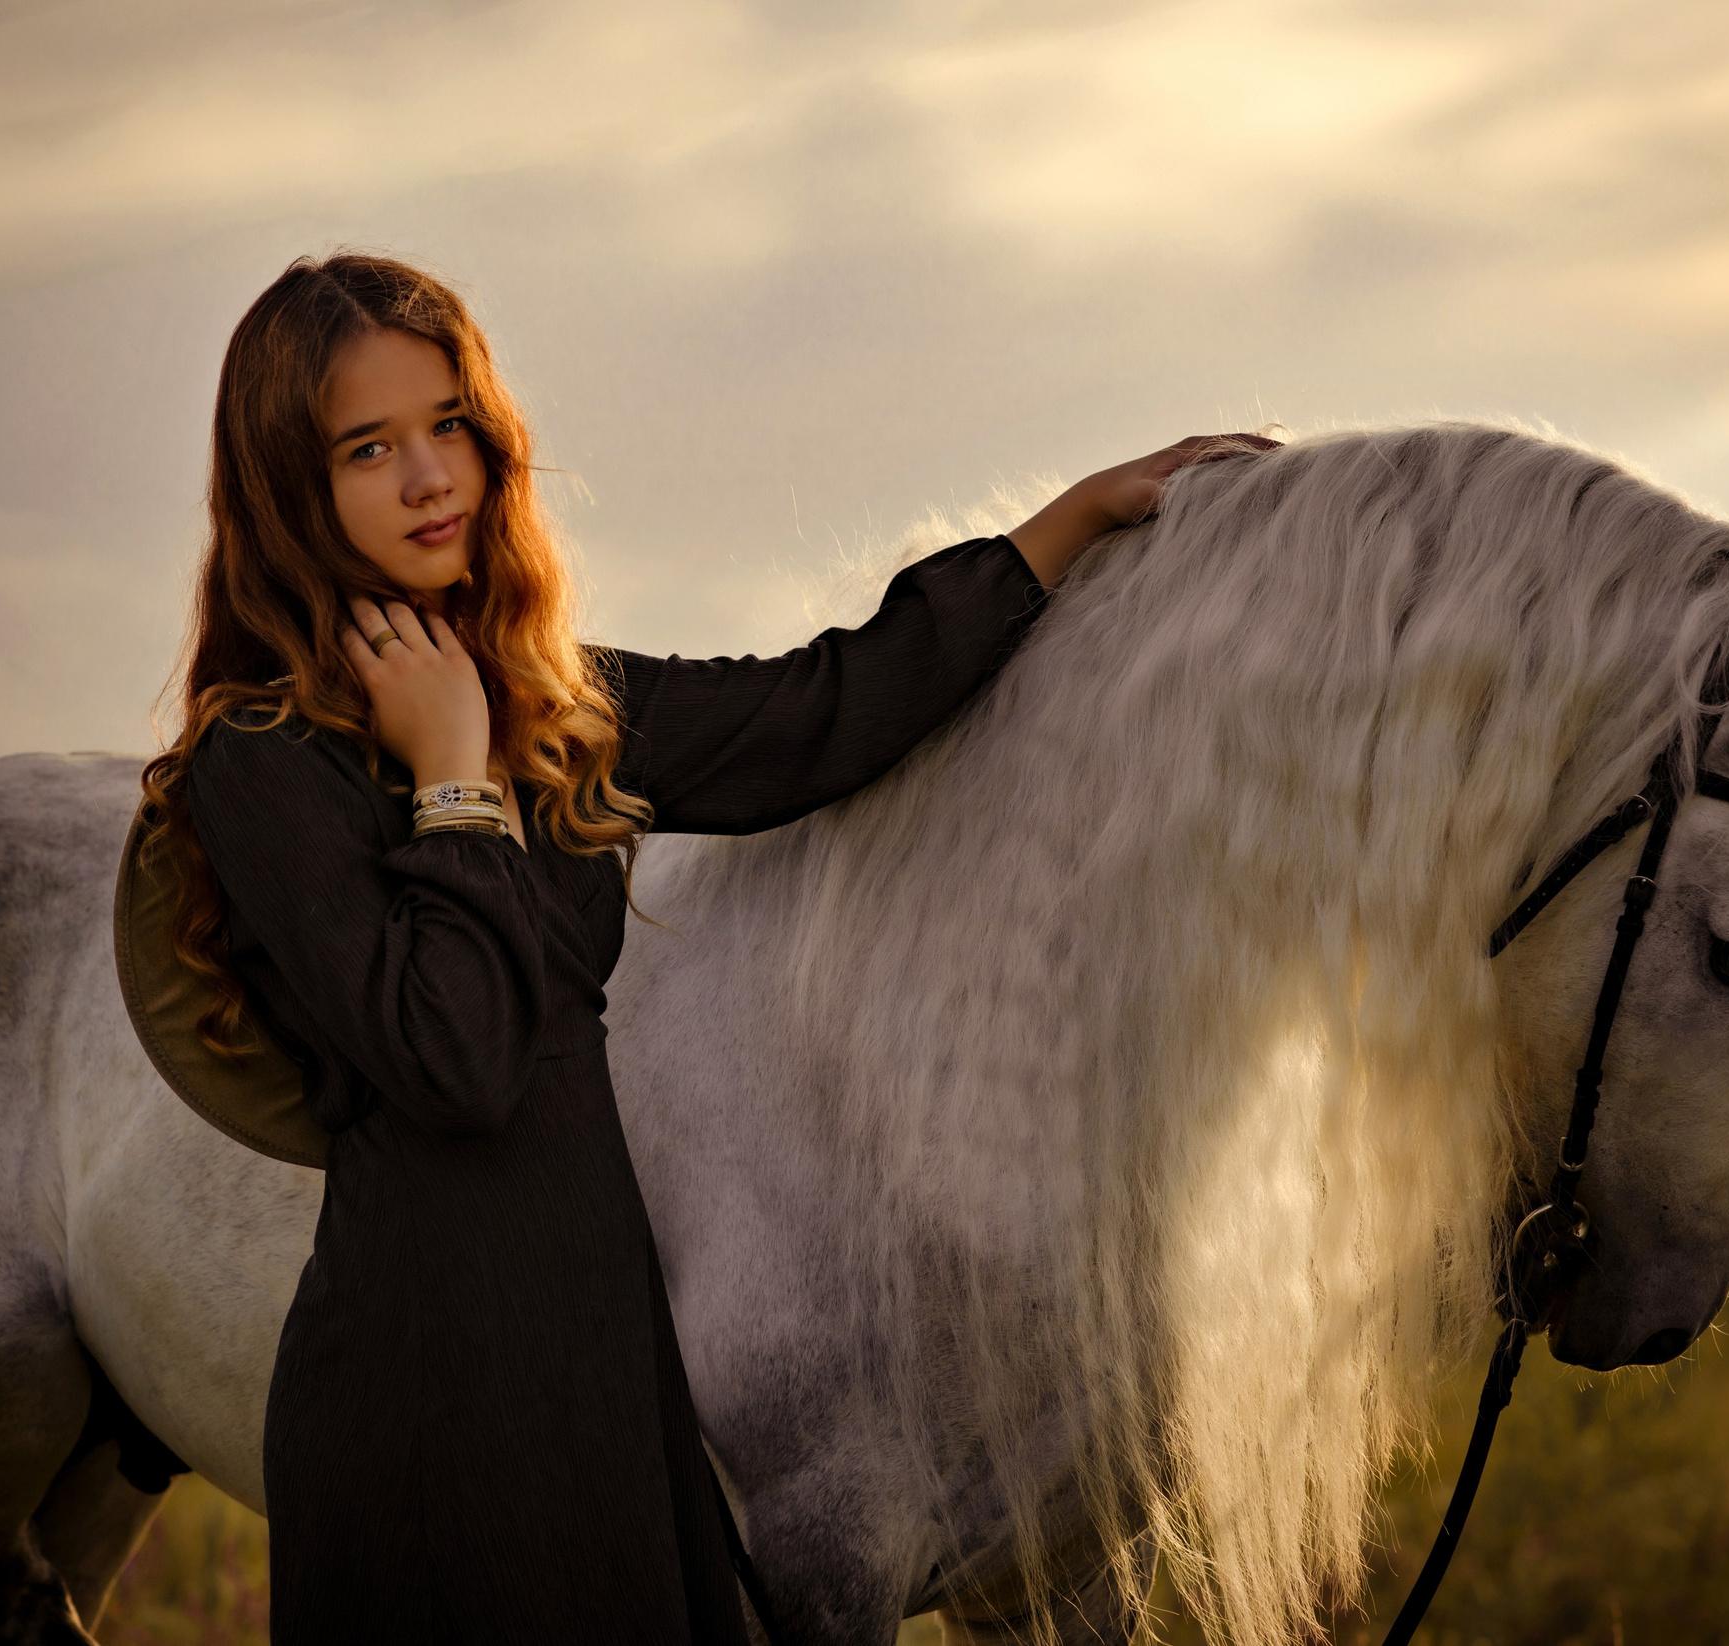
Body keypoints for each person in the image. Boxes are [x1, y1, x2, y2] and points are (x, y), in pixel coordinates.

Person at [135, 251, 1266, 1643]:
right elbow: (460, 1054)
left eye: (451, 429)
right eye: (369, 449)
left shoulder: (558, 703)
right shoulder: (263, 756)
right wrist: (451, 777)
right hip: (420, 1382)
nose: (430, 478)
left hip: (602, 1353)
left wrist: (1072, 523)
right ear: (288, 489)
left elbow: (826, 707)